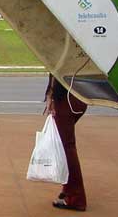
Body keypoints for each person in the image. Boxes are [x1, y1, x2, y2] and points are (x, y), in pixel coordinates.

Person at [44, 73, 88, 211]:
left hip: (67, 97)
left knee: (66, 147)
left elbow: (56, 69)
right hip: (78, 95)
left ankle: (76, 198)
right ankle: (69, 189)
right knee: (66, 146)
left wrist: (51, 94)